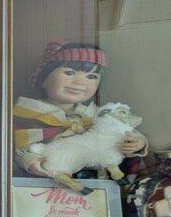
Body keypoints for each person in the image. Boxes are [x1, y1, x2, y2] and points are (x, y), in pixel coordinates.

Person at [13, 41, 147, 177]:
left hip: (91, 180)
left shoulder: (97, 114)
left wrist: (137, 143)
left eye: (91, 77)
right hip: (43, 180)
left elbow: (123, 131)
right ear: (44, 78)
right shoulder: (28, 113)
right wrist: (29, 161)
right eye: (69, 73)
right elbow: (15, 146)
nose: (79, 82)